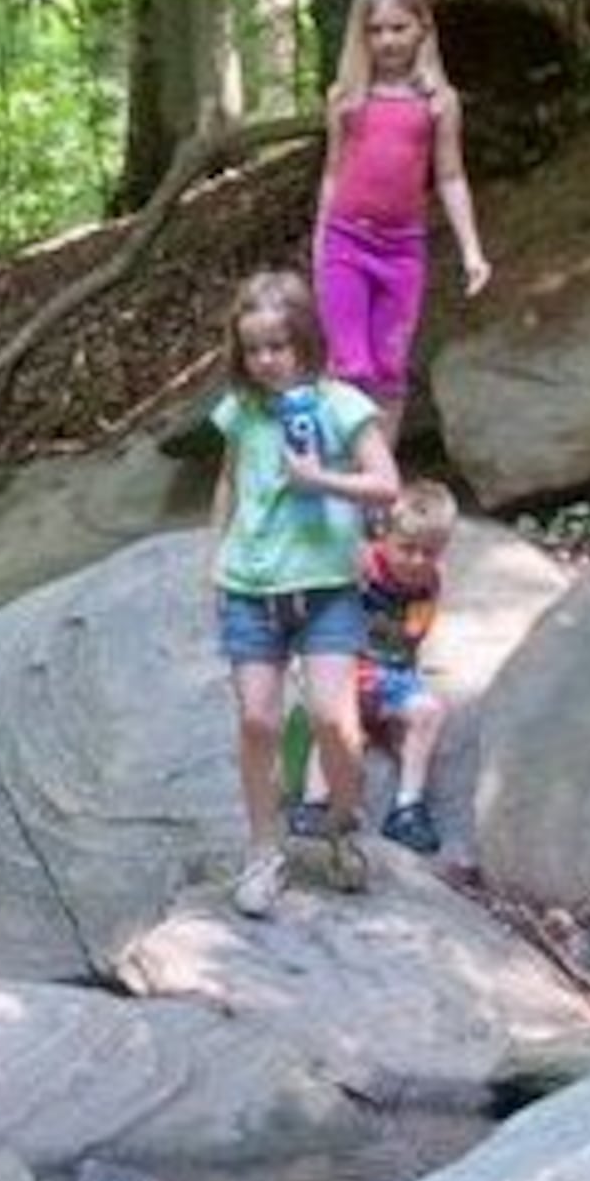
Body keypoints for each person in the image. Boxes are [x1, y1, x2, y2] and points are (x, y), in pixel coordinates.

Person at [210, 270, 399, 921]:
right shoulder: (240, 410)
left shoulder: (341, 404)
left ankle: (342, 826)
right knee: (258, 720)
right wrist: (215, 555)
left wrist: (321, 480)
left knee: (330, 718)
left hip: (323, 586)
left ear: (305, 342)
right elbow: (230, 482)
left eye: (277, 346)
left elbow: (386, 484)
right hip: (251, 583)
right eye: (254, 349)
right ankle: (265, 849)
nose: (266, 361)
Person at [308, 0, 492, 445]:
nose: (387, 40)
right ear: (361, 35)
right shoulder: (346, 99)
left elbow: (450, 177)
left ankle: (377, 482)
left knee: (389, 369)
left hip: (402, 252)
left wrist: (472, 250)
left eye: (398, 28)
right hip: (346, 242)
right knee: (349, 363)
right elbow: (332, 173)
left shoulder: (437, 103)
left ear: (422, 29)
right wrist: (321, 242)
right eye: (375, 30)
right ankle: (338, 471)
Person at [353, 480, 459, 854]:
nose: (417, 561)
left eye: (429, 552)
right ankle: (319, 804)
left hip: (392, 676)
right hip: (349, 671)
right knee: (341, 729)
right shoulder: (363, 565)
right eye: (407, 549)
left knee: (429, 712)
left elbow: (413, 635)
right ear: (385, 537)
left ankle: (407, 807)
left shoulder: (431, 581)